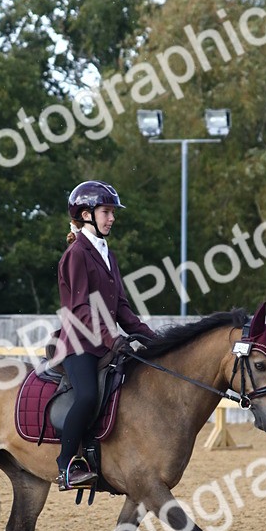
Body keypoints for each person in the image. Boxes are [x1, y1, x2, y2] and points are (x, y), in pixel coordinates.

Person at [55, 180, 156, 491]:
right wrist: (113, 339)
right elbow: (81, 309)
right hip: (79, 344)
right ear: (86, 215)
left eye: (112, 213)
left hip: (104, 344)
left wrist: (153, 338)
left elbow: (121, 307)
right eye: (106, 212)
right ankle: (66, 466)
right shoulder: (76, 253)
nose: (112, 218)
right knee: (87, 396)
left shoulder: (106, 254)